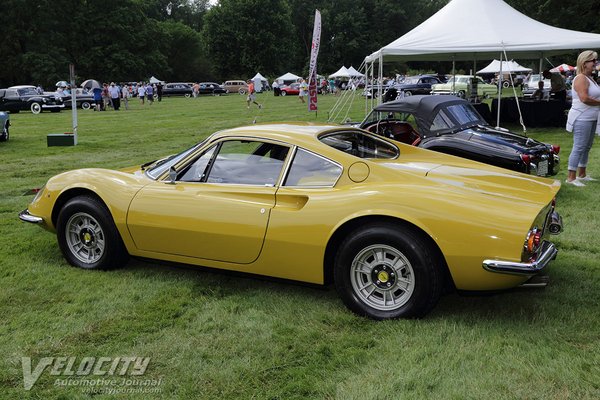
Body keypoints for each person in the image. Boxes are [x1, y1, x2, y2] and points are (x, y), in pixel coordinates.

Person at [565, 50, 600, 186]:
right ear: (584, 63)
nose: (595, 63)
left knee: (587, 146)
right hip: (582, 117)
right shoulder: (580, 78)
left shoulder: (590, 78)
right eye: (593, 61)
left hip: (591, 117)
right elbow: (584, 98)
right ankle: (571, 177)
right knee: (579, 146)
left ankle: (582, 174)